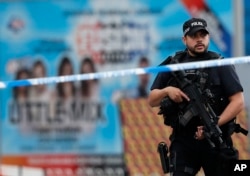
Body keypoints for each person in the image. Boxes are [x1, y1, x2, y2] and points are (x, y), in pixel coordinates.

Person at [148, 18, 245, 176]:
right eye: (194, 36)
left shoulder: (219, 63)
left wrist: (212, 126)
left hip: (215, 140)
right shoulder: (174, 64)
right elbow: (152, 100)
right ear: (184, 39)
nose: (199, 39)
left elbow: (238, 101)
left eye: (203, 35)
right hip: (184, 142)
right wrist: (168, 91)